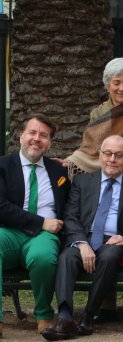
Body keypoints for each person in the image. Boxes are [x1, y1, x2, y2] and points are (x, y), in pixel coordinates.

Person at [56, 56, 123, 317]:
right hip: (108, 175)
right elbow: (92, 150)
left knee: (122, 231)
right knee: (103, 227)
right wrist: (71, 161)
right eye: (116, 83)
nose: (121, 88)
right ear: (108, 84)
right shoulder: (98, 113)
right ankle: (105, 305)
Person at [41, 135, 123, 341]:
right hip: (83, 238)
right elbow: (70, 215)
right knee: (67, 257)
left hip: (114, 241)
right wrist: (82, 242)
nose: (112, 159)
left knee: (111, 255)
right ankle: (66, 319)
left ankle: (88, 315)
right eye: (107, 153)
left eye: (118, 155)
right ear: (99, 155)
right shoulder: (82, 181)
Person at [0, 114, 70, 338]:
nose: (36, 139)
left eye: (43, 135)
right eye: (32, 132)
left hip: (43, 236)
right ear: (21, 137)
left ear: (49, 143)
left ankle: (43, 315)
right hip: (9, 231)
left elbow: (69, 204)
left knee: (43, 257)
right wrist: (41, 222)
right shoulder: (3, 165)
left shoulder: (59, 171)